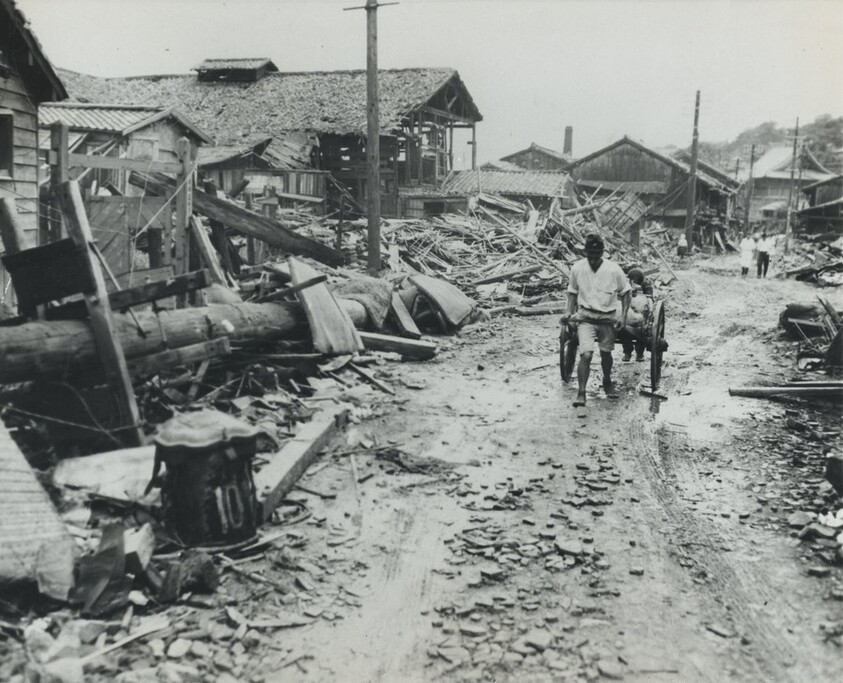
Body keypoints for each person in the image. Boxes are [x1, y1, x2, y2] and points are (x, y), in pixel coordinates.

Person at [562, 234, 631, 407]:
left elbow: (626, 293)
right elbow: (572, 293)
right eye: (589, 255)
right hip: (585, 318)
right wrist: (569, 312)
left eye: (596, 255)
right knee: (586, 354)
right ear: (585, 252)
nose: (593, 259)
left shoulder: (614, 270)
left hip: (607, 318)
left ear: (602, 252)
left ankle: (607, 381)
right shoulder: (578, 268)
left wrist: (622, 317)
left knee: (606, 354)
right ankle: (581, 393)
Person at [620, 268, 651, 362]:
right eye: (631, 279)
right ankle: (627, 352)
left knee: (641, 329)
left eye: (635, 279)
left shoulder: (647, 284)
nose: (633, 280)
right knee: (625, 328)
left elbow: (650, 298)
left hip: (641, 310)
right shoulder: (625, 283)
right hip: (629, 309)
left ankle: (639, 353)